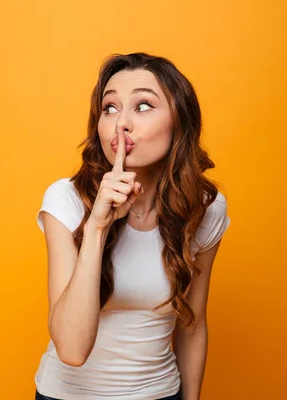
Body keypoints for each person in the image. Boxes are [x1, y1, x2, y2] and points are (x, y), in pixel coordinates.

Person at [33, 52, 231, 400]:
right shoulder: (65, 200)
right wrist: (97, 227)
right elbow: (72, 350)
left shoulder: (205, 209)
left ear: (179, 122)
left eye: (142, 106)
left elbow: (193, 324)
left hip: (160, 394)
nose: (121, 123)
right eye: (110, 108)